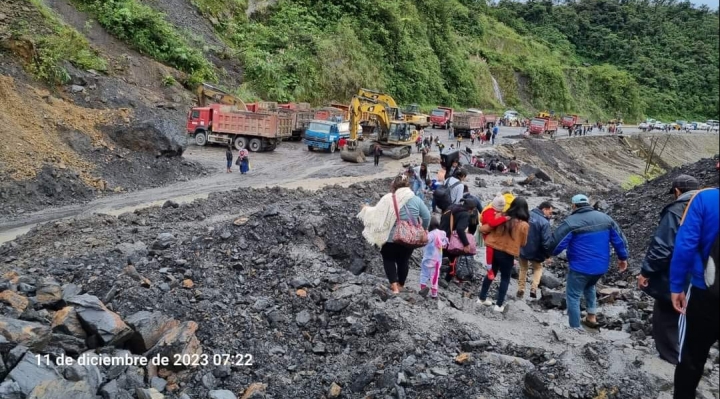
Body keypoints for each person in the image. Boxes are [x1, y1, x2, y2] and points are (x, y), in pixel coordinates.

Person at [638, 175, 700, 365]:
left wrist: (646, 272)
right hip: (705, 274)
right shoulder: (709, 207)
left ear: (677, 191)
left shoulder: (677, 209)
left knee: (666, 315)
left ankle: (673, 360)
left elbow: (663, 246)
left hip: (680, 274)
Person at [669, 187, 719, 399]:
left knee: (691, 357)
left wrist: (676, 286)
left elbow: (685, 245)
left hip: (705, 292)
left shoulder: (705, 199)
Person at [551, 194, 629, 330]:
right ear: (588, 204)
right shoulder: (605, 218)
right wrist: (623, 258)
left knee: (573, 295)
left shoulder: (571, 222)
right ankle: (591, 317)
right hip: (600, 267)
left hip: (580, 267)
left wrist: (548, 254)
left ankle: (575, 328)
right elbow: (619, 240)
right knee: (590, 286)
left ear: (573, 206)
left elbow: (557, 243)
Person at [357, 174, 431, 294]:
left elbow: (376, 213)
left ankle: (394, 287)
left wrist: (365, 209)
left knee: (389, 259)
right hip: (409, 237)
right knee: (403, 261)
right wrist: (424, 229)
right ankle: (401, 285)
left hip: (390, 238)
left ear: (394, 185)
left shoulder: (388, 198)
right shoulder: (416, 199)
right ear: (408, 185)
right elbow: (427, 216)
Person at [477, 197, 530, 312]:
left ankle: (481, 298)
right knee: (505, 278)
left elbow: (487, 228)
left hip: (494, 249)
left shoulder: (502, 216)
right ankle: (499, 305)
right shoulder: (524, 225)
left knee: (491, 274)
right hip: (508, 254)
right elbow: (523, 243)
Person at [518, 201, 554, 299]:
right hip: (536, 251)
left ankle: (521, 288)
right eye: (550, 212)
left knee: (523, 268)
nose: (550, 215)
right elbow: (546, 242)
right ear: (544, 209)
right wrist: (547, 255)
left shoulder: (527, 214)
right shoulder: (545, 223)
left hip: (523, 247)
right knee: (538, 269)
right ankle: (533, 288)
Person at [440, 198, 479, 282]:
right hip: (449, 239)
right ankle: (447, 280)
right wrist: (466, 244)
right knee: (453, 259)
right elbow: (460, 229)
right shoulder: (465, 214)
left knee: (439, 255)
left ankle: (432, 274)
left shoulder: (451, 207)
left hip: (440, 234)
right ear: (470, 209)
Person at [420, 216, 448, 299]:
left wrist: (423, 232)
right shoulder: (443, 233)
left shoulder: (431, 234)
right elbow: (444, 243)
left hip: (428, 259)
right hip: (437, 260)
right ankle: (434, 293)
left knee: (424, 274)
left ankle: (423, 288)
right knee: (435, 276)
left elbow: (424, 240)